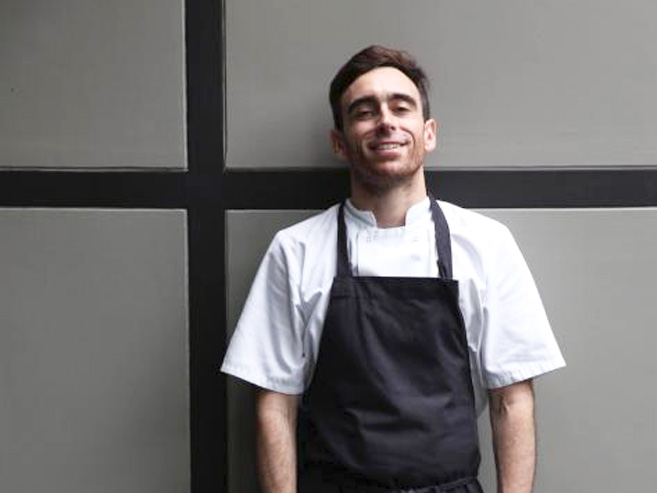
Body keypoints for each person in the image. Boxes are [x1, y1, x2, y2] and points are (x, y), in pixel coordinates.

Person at [222, 45, 565, 493]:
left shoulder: (487, 244)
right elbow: (274, 405)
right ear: (339, 142)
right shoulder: (296, 250)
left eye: (401, 107)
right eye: (365, 112)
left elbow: (512, 401)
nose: (386, 121)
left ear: (428, 133)